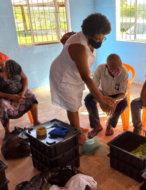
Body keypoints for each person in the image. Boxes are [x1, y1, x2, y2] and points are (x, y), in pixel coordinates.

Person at [49, 13, 115, 144]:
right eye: (98, 39)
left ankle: (76, 126)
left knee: (76, 100)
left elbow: (84, 73)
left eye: (103, 38)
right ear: (88, 35)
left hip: (74, 73)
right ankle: (76, 133)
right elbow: (85, 77)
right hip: (64, 75)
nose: (100, 41)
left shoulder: (90, 38)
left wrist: (100, 97)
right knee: (72, 105)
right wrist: (100, 98)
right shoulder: (78, 47)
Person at [0, 51, 40, 135]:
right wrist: (11, 96)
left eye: (2, 65)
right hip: (1, 95)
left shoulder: (12, 64)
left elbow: (24, 78)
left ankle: (36, 121)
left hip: (20, 92)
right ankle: (7, 131)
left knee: (31, 96)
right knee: (3, 104)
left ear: (5, 61)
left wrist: (23, 92)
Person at [85, 54, 128, 138]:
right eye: (115, 68)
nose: (119, 69)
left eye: (120, 66)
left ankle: (110, 124)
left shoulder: (124, 71)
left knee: (124, 103)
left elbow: (122, 93)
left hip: (117, 94)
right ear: (107, 66)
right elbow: (93, 87)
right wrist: (101, 100)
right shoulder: (100, 69)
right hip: (102, 93)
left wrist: (115, 102)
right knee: (88, 99)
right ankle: (96, 125)